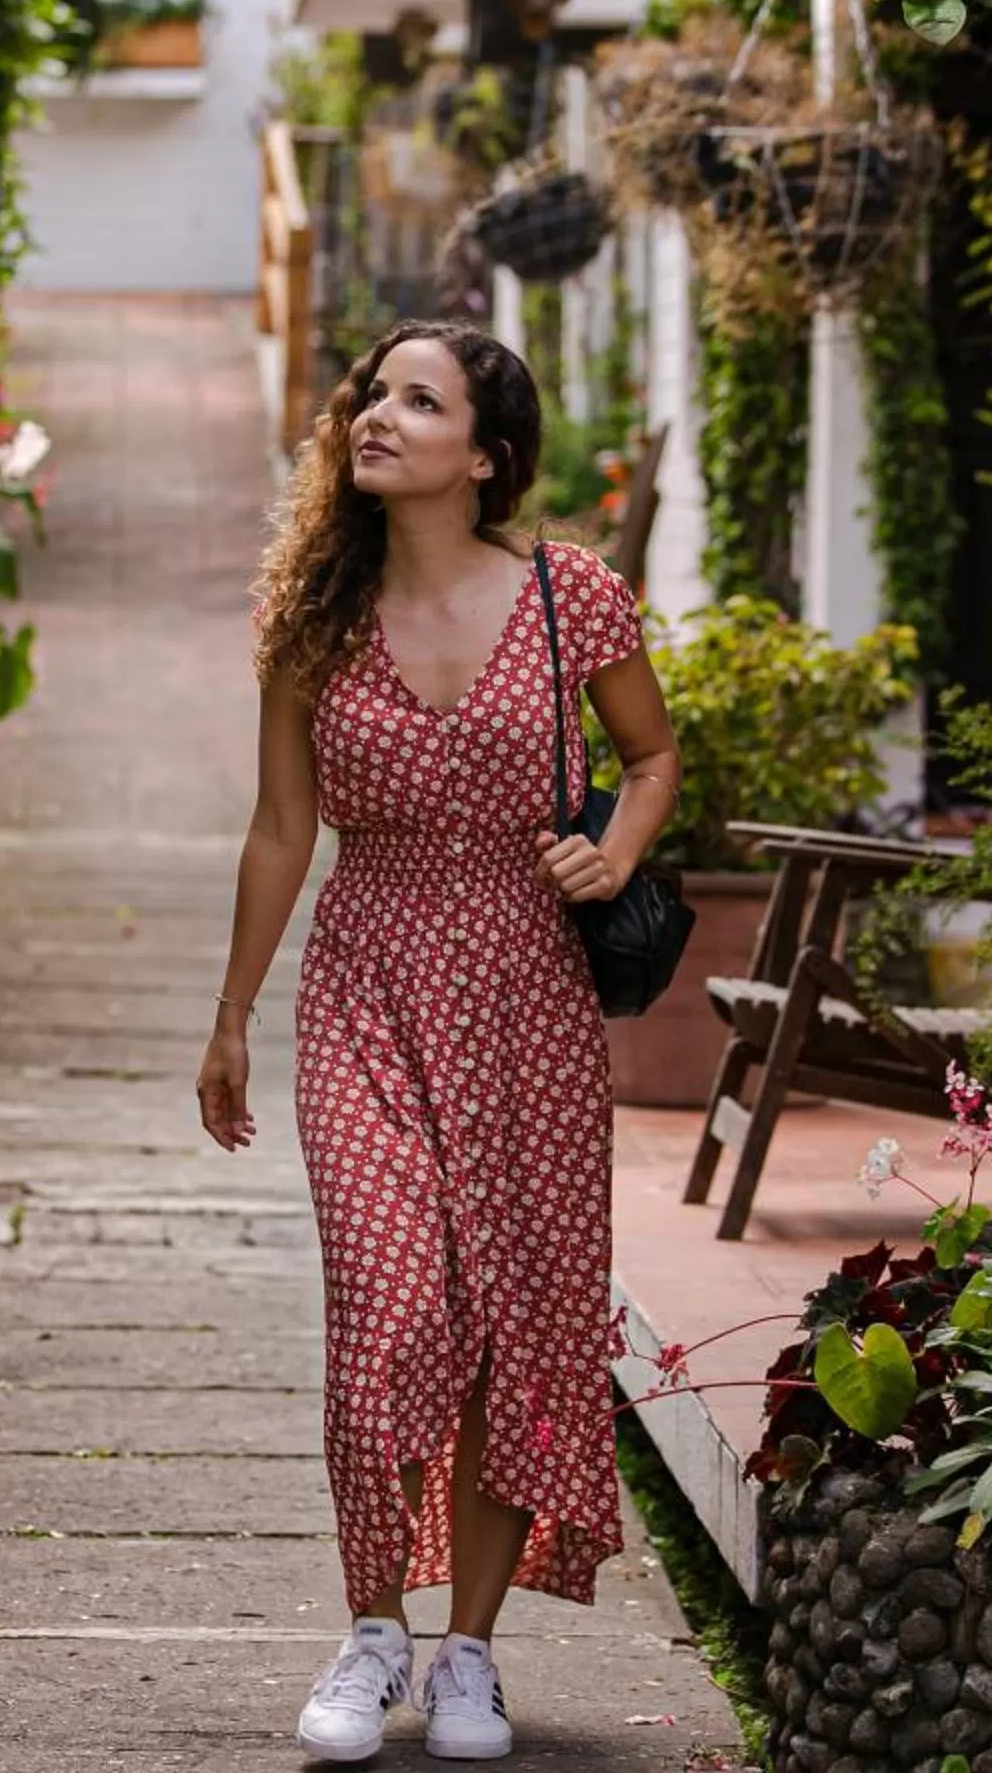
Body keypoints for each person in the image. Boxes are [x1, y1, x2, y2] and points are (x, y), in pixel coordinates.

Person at [195, 321, 679, 1763]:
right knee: (388, 1314)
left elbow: (650, 756)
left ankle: (469, 1652)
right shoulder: (312, 618)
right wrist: (231, 1017)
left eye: (421, 400)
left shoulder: (571, 599)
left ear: (486, 455)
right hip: (369, 982)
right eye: (372, 396)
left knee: (512, 1333)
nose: (379, 418)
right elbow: (285, 828)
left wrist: (619, 847)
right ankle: (370, 1628)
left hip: (529, 993)